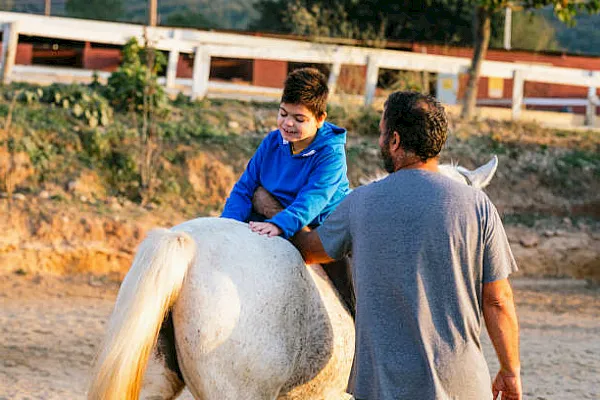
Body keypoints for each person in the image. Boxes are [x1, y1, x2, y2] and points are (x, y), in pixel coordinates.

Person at [254, 91, 522, 400]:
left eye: (382, 133)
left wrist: (273, 210)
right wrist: (510, 370)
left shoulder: (360, 203)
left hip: (383, 388)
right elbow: (498, 300)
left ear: (394, 141)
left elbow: (308, 250)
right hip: (463, 386)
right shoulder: (478, 205)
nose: (380, 141)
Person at [221, 67, 351, 239]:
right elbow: (245, 187)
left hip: (315, 222)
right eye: (283, 114)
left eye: (299, 119)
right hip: (272, 210)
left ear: (320, 119)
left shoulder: (331, 155)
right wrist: (228, 223)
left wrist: (279, 224)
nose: (288, 123)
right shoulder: (272, 142)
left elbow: (313, 198)